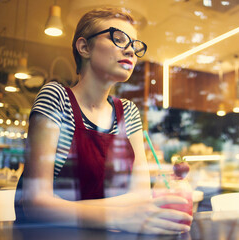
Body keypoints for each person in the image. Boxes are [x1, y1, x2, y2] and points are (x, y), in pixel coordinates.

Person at [18, 7, 192, 235]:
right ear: (84, 47)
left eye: (134, 44)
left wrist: (66, 208)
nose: (130, 50)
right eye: (119, 39)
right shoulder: (57, 98)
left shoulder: (128, 111)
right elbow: (35, 205)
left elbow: (139, 197)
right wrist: (119, 215)